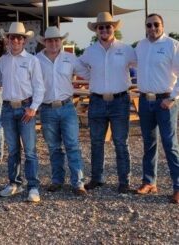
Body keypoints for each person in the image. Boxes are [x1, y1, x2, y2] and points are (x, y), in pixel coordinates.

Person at [79, 12, 136, 193]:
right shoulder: (90, 51)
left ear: (114, 28)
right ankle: (97, 178)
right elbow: (78, 66)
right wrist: (92, 77)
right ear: (96, 30)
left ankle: (124, 181)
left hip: (120, 100)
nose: (104, 29)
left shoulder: (126, 49)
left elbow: (141, 66)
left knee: (121, 142)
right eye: (100, 27)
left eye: (107, 26)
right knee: (96, 142)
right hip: (96, 100)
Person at [36, 26, 89, 195]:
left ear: (61, 41)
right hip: (47, 108)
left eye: (56, 40)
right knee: (53, 147)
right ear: (44, 42)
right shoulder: (36, 60)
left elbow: (88, 74)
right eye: (50, 40)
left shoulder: (70, 58)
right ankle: (57, 180)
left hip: (67, 107)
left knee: (72, 145)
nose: (53, 43)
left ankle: (78, 183)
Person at [0, 22, 45, 202]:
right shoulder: (3, 60)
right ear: (8, 40)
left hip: (26, 108)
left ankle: (33, 186)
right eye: (12, 37)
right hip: (8, 108)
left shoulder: (32, 60)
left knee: (30, 151)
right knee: (12, 150)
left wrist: (33, 108)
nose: (16, 40)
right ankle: (14, 183)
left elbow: (39, 87)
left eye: (19, 37)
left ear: (24, 41)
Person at [135, 13, 179, 204]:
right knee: (149, 143)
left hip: (165, 102)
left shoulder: (172, 45)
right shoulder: (140, 46)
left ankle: (178, 186)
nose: (152, 28)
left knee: (170, 144)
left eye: (156, 24)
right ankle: (149, 181)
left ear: (163, 25)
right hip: (145, 101)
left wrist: (172, 98)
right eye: (149, 25)